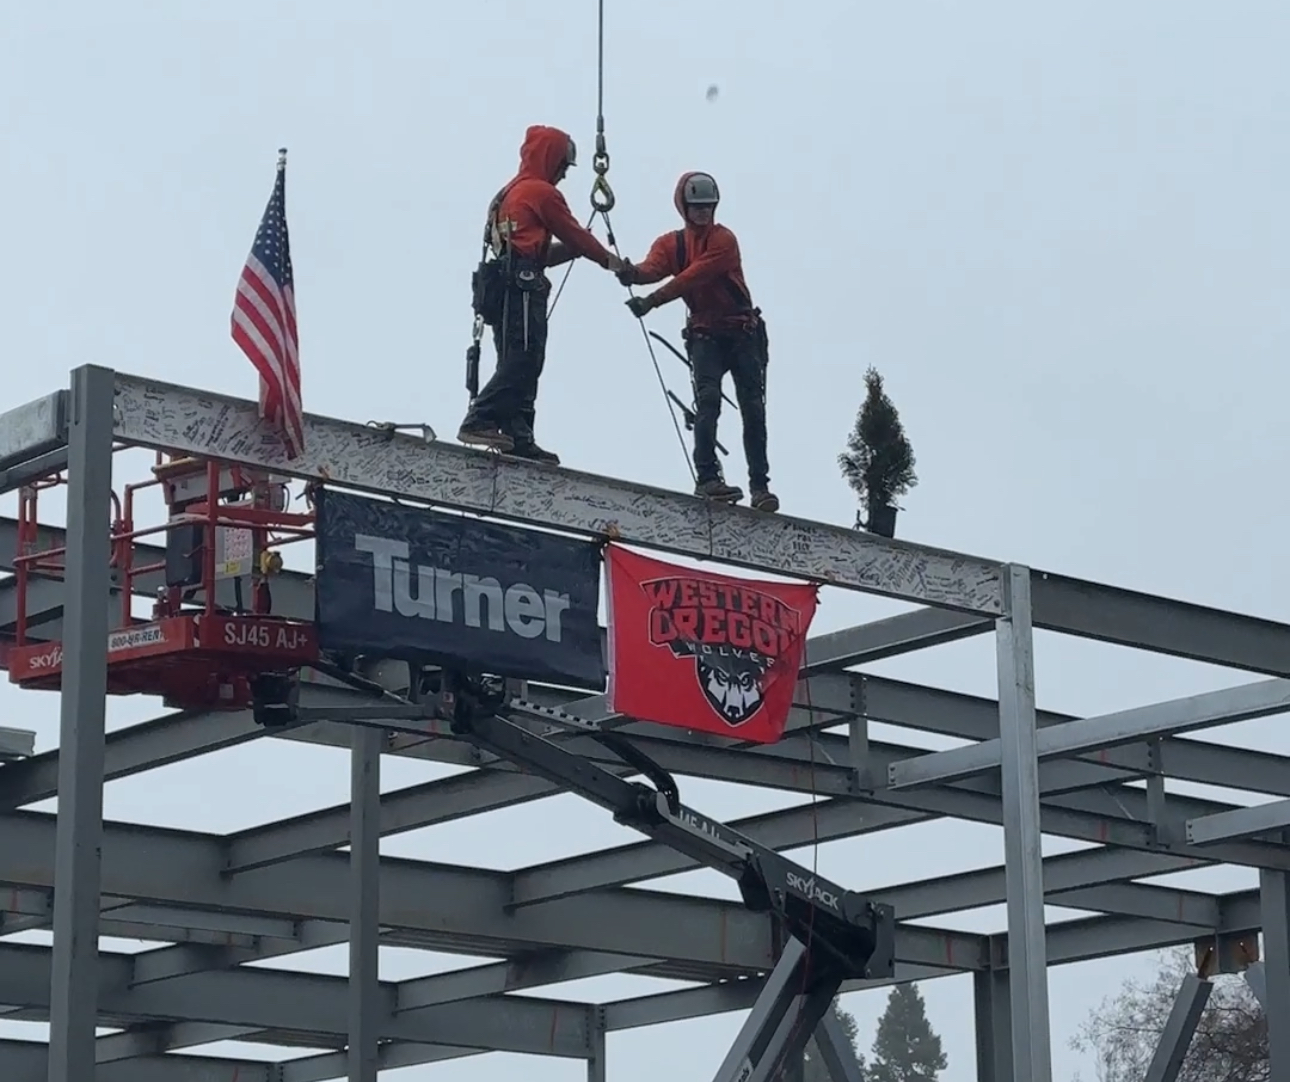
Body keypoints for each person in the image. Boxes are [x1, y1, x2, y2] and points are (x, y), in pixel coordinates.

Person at [459, 124, 623, 464]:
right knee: (525, 359)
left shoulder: (508, 193)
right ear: (551, 159)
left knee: (516, 358)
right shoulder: (541, 193)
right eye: (562, 166)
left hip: (504, 285)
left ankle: (519, 435)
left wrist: (576, 251)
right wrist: (613, 263)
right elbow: (574, 233)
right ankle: (481, 418)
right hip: (521, 287)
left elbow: (537, 253)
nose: (563, 174)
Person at [616, 172, 778, 512]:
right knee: (707, 402)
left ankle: (760, 487)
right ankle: (708, 478)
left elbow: (694, 275)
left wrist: (651, 300)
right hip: (706, 335)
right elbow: (654, 267)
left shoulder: (724, 240)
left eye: (707, 207)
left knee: (753, 409)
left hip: (741, 333)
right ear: (684, 207)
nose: (703, 213)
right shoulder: (671, 245)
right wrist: (632, 273)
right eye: (697, 207)